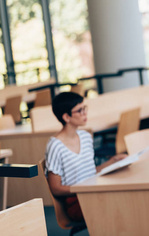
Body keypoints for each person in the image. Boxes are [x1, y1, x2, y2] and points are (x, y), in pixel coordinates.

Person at [45, 92, 127, 222]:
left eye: (85, 108)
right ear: (66, 117)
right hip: (77, 201)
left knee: (127, 198)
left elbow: (89, 173)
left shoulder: (86, 137)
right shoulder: (55, 146)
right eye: (80, 110)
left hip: (93, 192)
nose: (85, 113)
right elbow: (55, 188)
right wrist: (84, 189)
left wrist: (113, 161)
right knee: (123, 204)